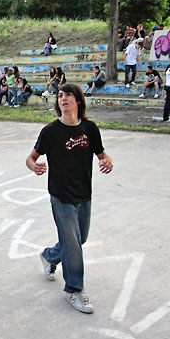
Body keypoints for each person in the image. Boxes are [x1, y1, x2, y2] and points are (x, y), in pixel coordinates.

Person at [26, 83, 113, 314]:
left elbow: (102, 154)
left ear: (78, 100)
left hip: (84, 194)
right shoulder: (50, 131)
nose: (63, 99)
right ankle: (74, 290)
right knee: (73, 245)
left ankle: (49, 256)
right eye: (60, 96)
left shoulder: (90, 128)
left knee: (79, 238)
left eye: (68, 95)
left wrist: (107, 161)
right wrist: (34, 166)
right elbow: (30, 158)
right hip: (61, 196)